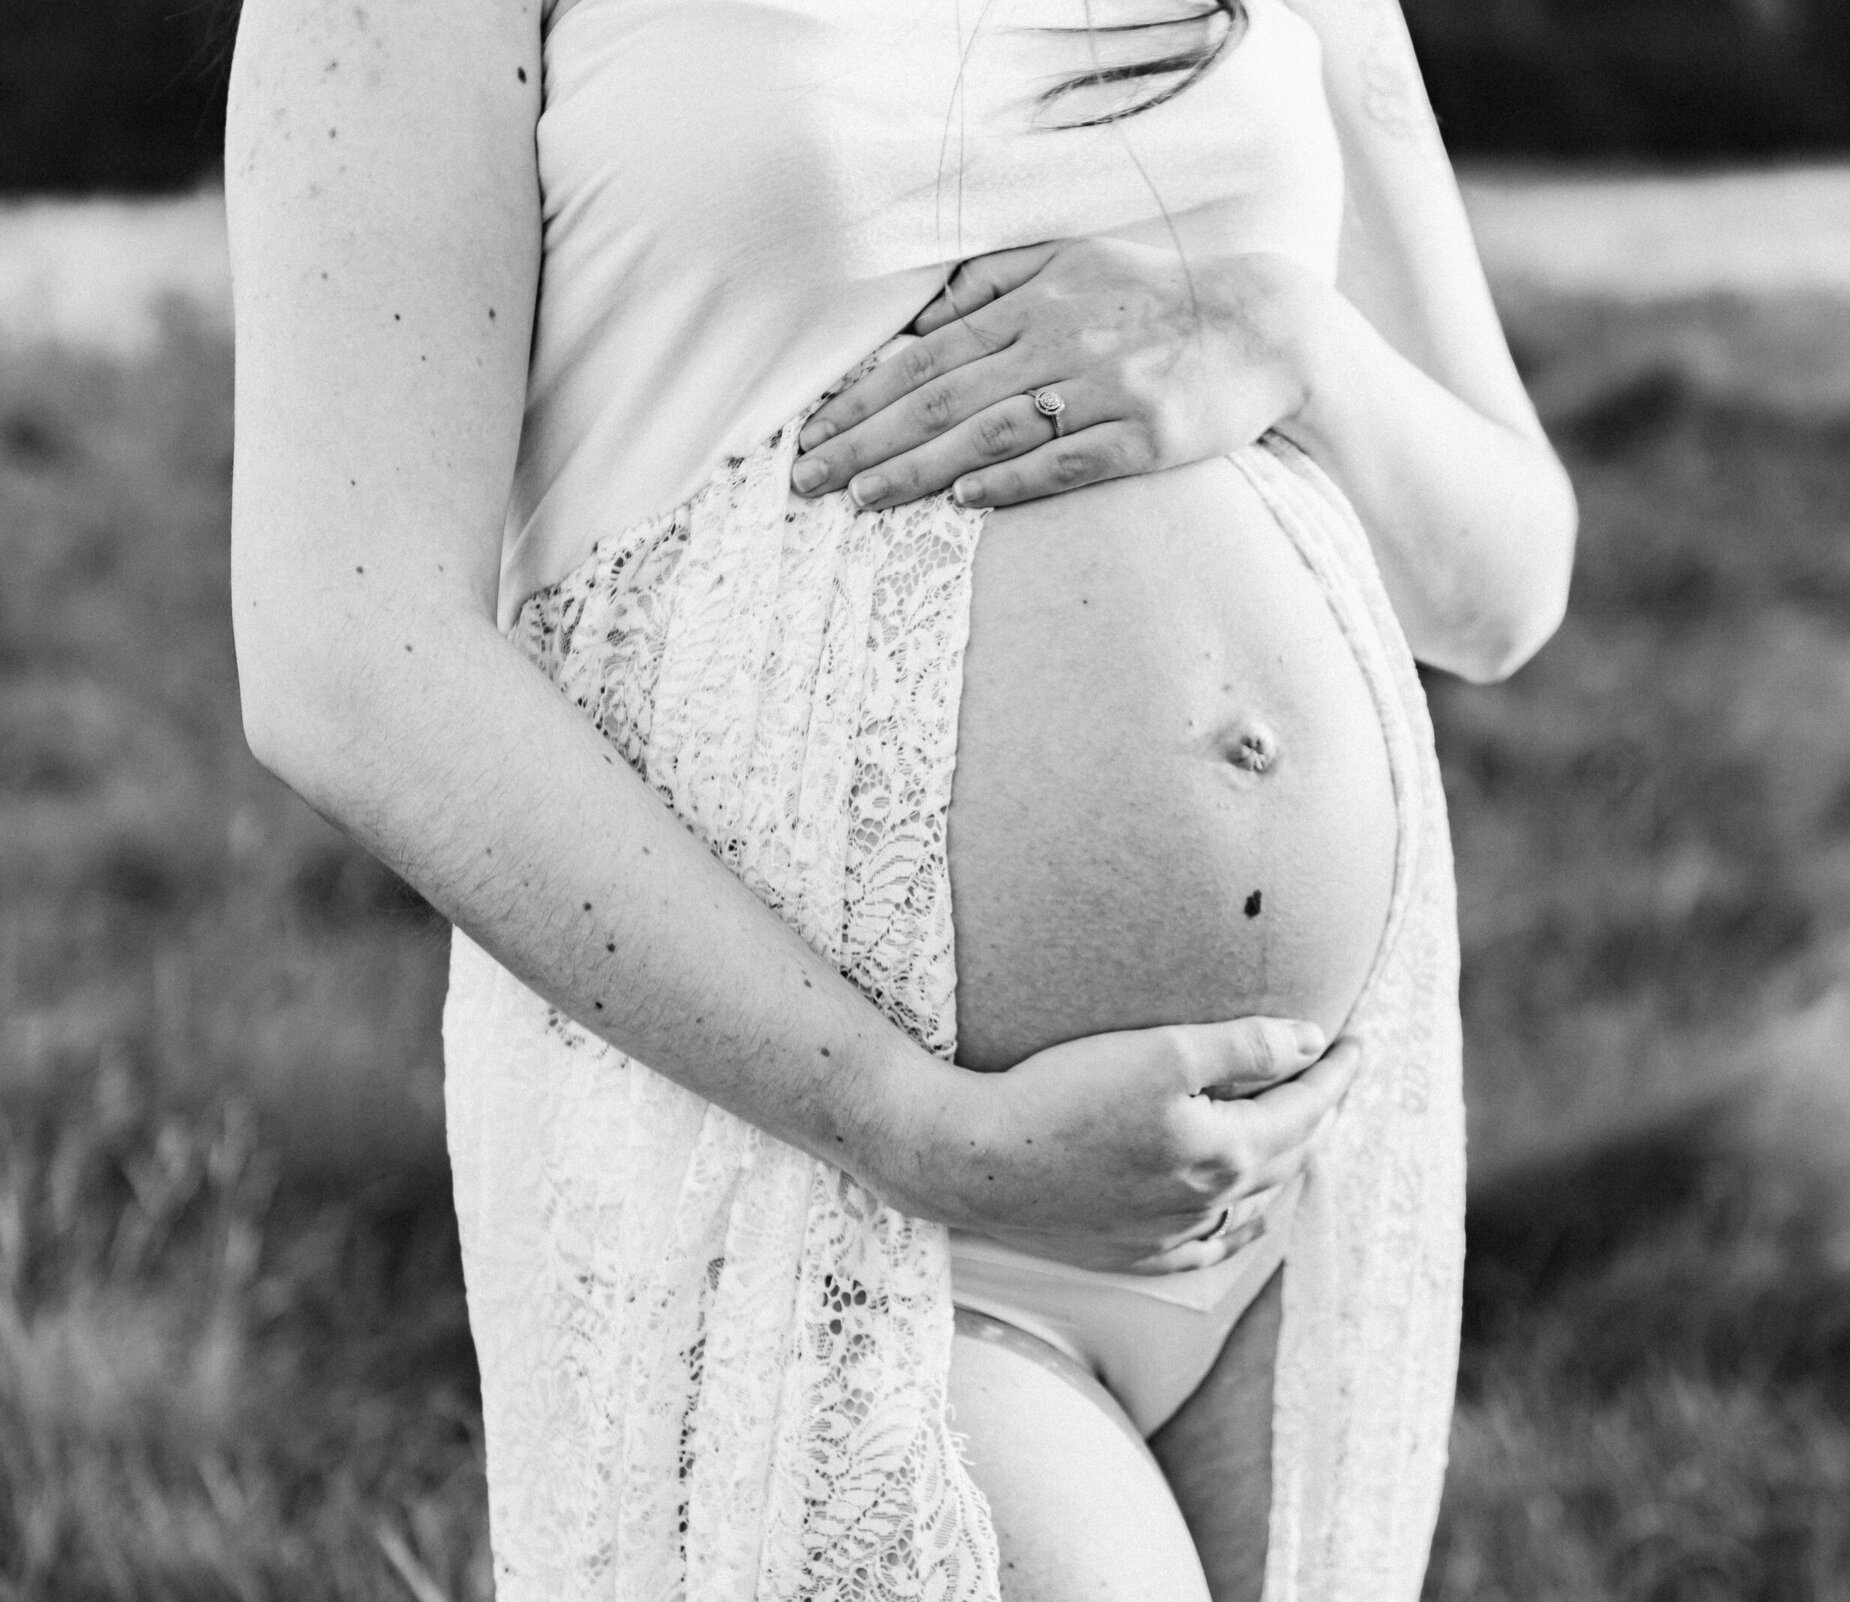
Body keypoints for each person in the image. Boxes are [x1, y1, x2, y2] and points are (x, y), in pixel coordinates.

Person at [223, 0, 1574, 1596]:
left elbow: (1503, 581)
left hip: (1286, 1191)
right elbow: (345, 653)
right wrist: (911, 1120)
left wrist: (1290, 333)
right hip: (816, 1172)